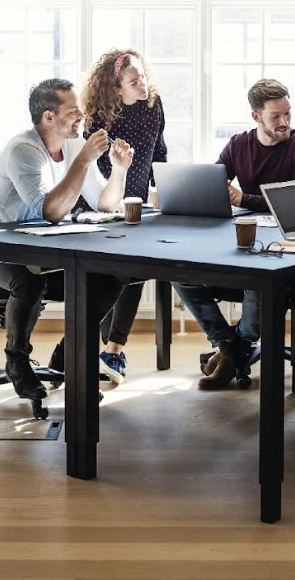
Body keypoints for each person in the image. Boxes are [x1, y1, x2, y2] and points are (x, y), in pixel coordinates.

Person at [0, 78, 135, 400]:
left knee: (111, 275)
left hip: (42, 250)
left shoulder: (75, 144)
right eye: (73, 111)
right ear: (49, 117)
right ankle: (17, 362)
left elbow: (103, 203)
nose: (82, 116)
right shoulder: (24, 150)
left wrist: (119, 170)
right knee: (28, 280)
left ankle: (67, 355)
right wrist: (83, 161)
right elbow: (50, 211)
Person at [174, 78, 295, 390]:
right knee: (178, 270)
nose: (284, 122)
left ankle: (234, 350)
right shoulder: (239, 144)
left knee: (259, 280)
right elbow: (215, 186)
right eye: (275, 116)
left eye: (287, 114)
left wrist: (244, 199)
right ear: (256, 116)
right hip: (242, 243)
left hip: (284, 252)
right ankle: (228, 344)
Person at [80, 49, 168, 384]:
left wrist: (160, 188)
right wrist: (111, 198)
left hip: (139, 202)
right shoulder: (98, 116)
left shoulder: (152, 104)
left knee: (135, 270)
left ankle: (113, 349)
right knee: (107, 274)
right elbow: (93, 164)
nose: (143, 84)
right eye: (134, 81)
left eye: (143, 76)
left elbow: (159, 149)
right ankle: (107, 350)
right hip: (103, 203)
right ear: (117, 89)